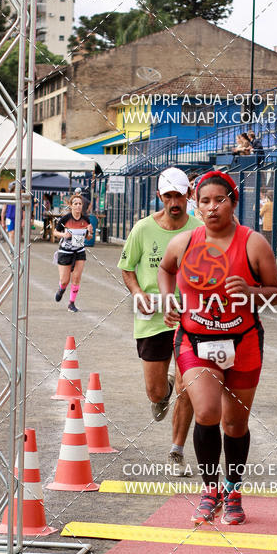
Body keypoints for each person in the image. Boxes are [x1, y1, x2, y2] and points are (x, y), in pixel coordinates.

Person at [158, 170, 277, 525]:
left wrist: (252, 292)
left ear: (233, 202)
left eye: (219, 200)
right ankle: (210, 488)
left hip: (243, 342)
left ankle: (233, 488)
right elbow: (166, 270)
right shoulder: (184, 243)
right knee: (208, 412)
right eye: (205, 201)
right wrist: (168, 299)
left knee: (234, 423)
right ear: (195, 206)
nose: (212, 207)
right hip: (195, 342)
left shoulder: (253, 243)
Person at [118, 167, 202, 473]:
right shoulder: (142, 229)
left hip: (189, 317)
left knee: (188, 384)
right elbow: (127, 267)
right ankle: (162, 392)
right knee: (155, 392)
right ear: (160, 197)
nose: (174, 201)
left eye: (179, 195)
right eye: (168, 196)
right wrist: (138, 292)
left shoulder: (199, 229)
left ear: (188, 195)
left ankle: (176, 451)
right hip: (152, 317)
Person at [53, 193, 94, 313]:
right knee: (65, 280)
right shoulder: (65, 219)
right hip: (65, 251)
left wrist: (90, 233)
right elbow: (55, 232)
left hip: (79, 251)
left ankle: (71, 303)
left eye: (80, 204)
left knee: (76, 278)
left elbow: (88, 238)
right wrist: (63, 235)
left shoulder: (86, 219)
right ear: (71, 206)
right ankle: (61, 289)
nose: (78, 206)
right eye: (75, 204)